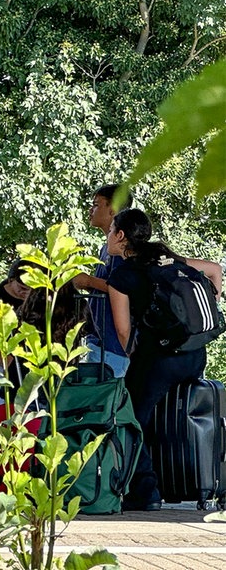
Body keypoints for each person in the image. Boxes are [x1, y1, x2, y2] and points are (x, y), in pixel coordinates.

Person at [106, 208, 222, 511]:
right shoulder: (167, 259)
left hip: (159, 360)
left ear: (120, 236)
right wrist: (215, 298)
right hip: (195, 354)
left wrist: (134, 355)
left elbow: (122, 330)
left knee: (129, 416)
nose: (108, 237)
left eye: (110, 231)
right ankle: (195, 479)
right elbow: (214, 269)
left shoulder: (122, 275)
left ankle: (146, 492)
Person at [73, 184, 133, 377]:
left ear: (112, 209)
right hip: (98, 340)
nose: (91, 210)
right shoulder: (106, 248)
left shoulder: (123, 249)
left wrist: (88, 281)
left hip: (115, 346)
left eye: (96, 205)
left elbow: (124, 289)